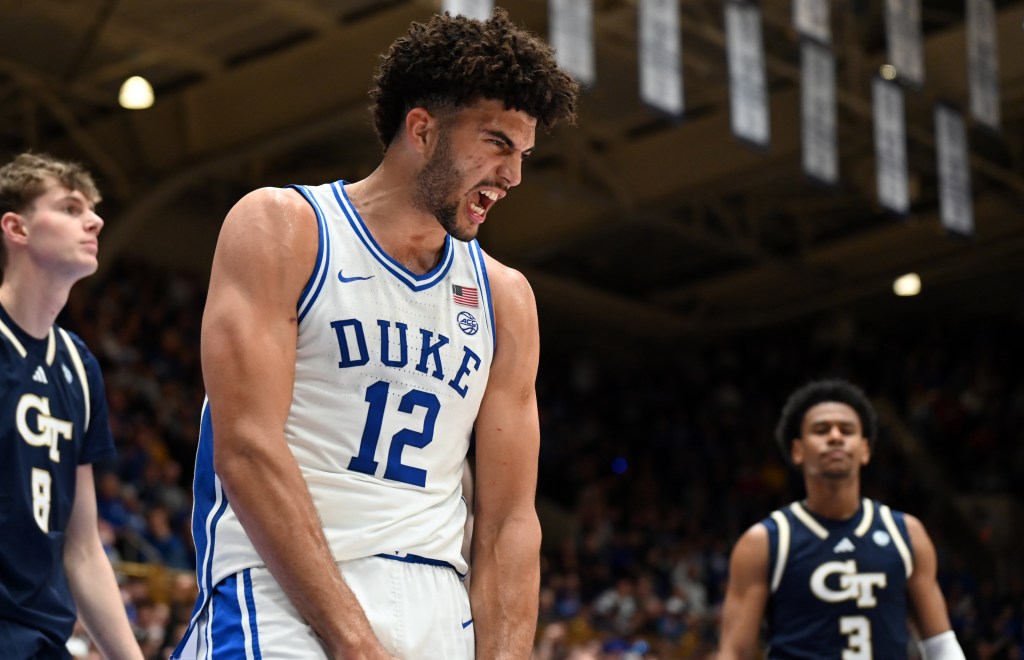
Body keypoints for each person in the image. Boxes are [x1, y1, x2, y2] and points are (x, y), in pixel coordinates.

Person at [172, 9, 577, 659]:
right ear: (422, 129)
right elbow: (246, 448)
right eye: (498, 144)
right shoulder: (286, 227)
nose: (514, 177)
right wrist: (355, 641)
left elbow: (509, 523)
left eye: (524, 155)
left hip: (437, 608)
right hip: (283, 593)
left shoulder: (506, 298)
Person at [0, 152, 143, 659]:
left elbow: (82, 549)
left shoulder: (79, 367)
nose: (95, 220)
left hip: (42, 639)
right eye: (69, 207)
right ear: (16, 228)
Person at [718, 379, 966, 659]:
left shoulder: (906, 532)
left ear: (865, 450)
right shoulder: (764, 542)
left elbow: (941, 646)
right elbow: (735, 652)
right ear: (798, 450)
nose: (835, 436)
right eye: (821, 430)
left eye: (847, 430)